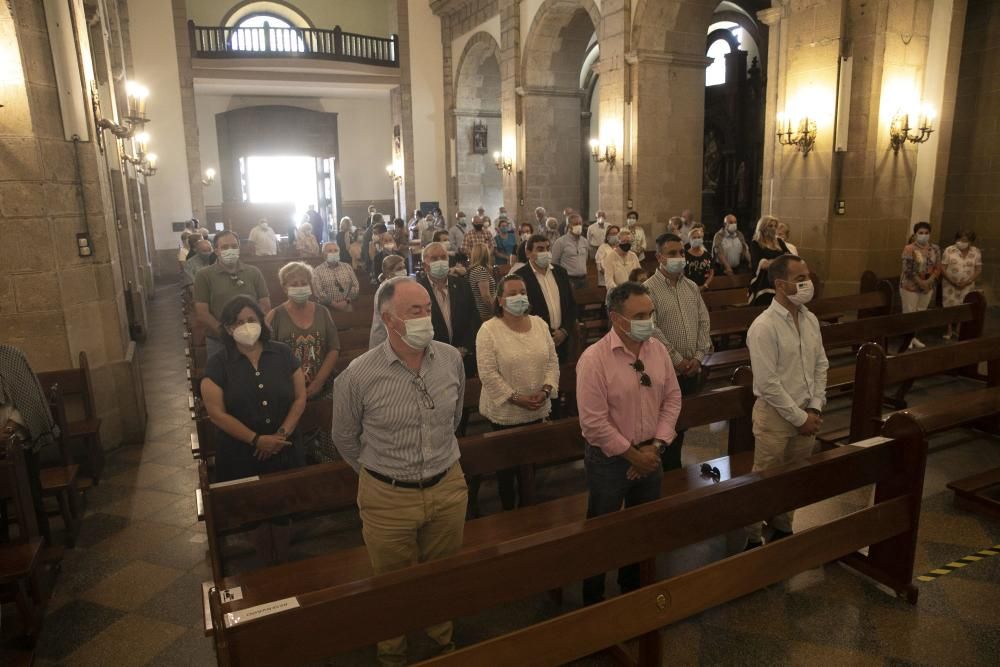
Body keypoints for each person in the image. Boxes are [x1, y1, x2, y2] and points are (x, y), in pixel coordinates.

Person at [332, 279, 468, 666]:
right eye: (415, 311)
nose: (427, 317)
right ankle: (392, 652)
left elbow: (454, 420)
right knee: (390, 584)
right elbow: (343, 438)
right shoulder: (360, 374)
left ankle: (441, 642)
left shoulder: (450, 359)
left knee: (442, 575)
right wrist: (380, 474)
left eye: (428, 309)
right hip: (388, 496)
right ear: (389, 320)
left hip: (447, 485)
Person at [577, 282, 682, 605]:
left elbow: (673, 399)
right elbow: (593, 422)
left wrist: (656, 447)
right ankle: (593, 600)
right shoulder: (594, 359)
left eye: (650, 314)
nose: (648, 322)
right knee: (603, 533)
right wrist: (632, 455)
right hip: (609, 460)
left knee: (642, 529)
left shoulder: (658, 350)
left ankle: (633, 589)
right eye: (639, 315)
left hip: (652, 453)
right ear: (616, 318)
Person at [201, 295, 306, 565]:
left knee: (283, 511)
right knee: (253, 514)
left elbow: (299, 397)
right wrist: (256, 440)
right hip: (241, 453)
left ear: (261, 320)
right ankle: (262, 565)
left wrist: (280, 435)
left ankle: (282, 561)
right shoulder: (218, 363)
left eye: (251, 320)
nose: (246, 326)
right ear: (227, 328)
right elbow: (216, 413)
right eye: (238, 322)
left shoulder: (281, 353)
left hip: (284, 449)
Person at [745, 254, 827, 549]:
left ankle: (783, 527)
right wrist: (799, 418)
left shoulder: (810, 318)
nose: (807, 283)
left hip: (807, 412)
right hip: (776, 416)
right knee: (765, 478)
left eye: (807, 276)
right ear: (780, 284)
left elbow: (820, 365)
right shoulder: (764, 326)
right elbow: (768, 384)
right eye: (799, 279)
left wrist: (814, 407)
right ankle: (752, 536)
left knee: (794, 477)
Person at [473, 274, 559, 514]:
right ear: (500, 300)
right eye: (512, 294)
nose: (519, 297)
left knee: (530, 466)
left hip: (537, 406)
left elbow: (552, 361)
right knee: (507, 469)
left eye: (522, 292)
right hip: (505, 412)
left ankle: (530, 510)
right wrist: (516, 397)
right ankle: (510, 512)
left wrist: (545, 390)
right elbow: (488, 374)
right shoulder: (489, 330)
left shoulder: (540, 324)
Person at [645, 233, 712, 471]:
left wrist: (697, 357)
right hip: (664, 371)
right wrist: (677, 360)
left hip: (690, 369)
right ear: (659, 256)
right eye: (672, 253)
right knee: (662, 425)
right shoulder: (648, 289)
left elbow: (704, 321)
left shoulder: (691, 287)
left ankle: (673, 471)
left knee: (681, 424)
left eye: (681, 253)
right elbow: (651, 329)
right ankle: (658, 470)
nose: (679, 257)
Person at [267, 263, 340, 462]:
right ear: (285, 287)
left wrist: (317, 383)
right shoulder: (275, 316)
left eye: (304, 283)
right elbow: (267, 356)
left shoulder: (323, 312)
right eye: (294, 283)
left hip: (322, 384)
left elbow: (333, 348)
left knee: (331, 420)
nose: (300, 286)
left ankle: (326, 460)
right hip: (288, 389)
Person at [1, 344, 59, 545]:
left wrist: (8, 428)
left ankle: (45, 547)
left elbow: (30, 402)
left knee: (33, 500)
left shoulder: (11, 357)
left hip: (18, 445)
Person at [193, 231, 270, 358]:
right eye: (225, 247)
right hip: (220, 340)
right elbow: (202, 313)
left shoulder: (253, 272)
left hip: (253, 337)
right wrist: (227, 333)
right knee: (221, 376)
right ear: (216, 251)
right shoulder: (204, 275)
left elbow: (265, 305)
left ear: (239, 249)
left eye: (234, 246)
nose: (230, 250)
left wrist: (252, 330)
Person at [417, 242, 481, 376]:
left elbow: (474, 319)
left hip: (464, 358)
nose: (440, 262)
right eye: (434, 259)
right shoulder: (418, 290)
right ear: (424, 265)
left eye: (443, 257)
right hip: (432, 360)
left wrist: (464, 348)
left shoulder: (463, 285)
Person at [515, 234, 577, 363]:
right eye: (540, 249)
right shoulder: (520, 277)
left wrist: (564, 331)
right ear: (528, 253)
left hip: (562, 339)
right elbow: (520, 312)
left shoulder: (560, 272)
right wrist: (545, 334)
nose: (546, 252)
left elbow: (571, 305)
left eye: (548, 248)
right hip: (536, 341)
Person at [899, 221, 942, 349]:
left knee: (920, 313)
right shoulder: (910, 248)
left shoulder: (935, 249)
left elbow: (938, 267)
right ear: (915, 234)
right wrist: (921, 282)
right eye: (921, 233)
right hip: (910, 286)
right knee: (909, 313)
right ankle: (907, 339)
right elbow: (908, 269)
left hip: (928, 286)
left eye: (926, 233)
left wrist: (929, 281)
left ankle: (914, 336)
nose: (924, 235)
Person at [942, 230, 982, 339]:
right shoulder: (949, 250)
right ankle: (949, 330)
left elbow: (978, 269)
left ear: (970, 241)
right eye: (959, 239)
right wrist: (952, 280)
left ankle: (959, 328)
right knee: (949, 306)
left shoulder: (976, 252)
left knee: (963, 305)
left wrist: (967, 281)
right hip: (950, 284)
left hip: (967, 285)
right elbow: (943, 267)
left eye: (964, 240)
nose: (961, 242)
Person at [748, 215, 790, 306]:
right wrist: (781, 261)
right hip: (763, 281)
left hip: (781, 279)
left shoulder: (779, 242)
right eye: (770, 226)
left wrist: (772, 262)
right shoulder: (756, 243)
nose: (773, 228)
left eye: (775, 226)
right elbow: (761, 265)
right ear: (762, 228)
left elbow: (789, 258)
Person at [312, 241, 360, 312]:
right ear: (323, 254)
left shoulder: (347, 267)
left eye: (335, 250)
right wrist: (333, 304)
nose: (333, 253)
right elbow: (318, 291)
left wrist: (347, 301)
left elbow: (355, 286)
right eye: (330, 251)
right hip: (326, 308)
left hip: (346, 306)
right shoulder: (317, 271)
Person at [551, 213, 590, 290]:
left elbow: (585, 259)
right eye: (575, 224)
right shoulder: (560, 242)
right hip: (569, 279)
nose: (578, 226)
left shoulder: (584, 241)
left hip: (583, 279)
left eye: (580, 223)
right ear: (569, 226)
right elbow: (554, 262)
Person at [468, 243, 496, 322]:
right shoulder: (480, 270)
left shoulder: (474, 270)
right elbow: (486, 297)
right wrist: (496, 312)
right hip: (486, 314)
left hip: (480, 313)